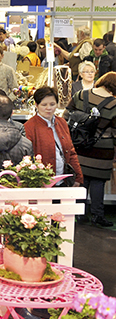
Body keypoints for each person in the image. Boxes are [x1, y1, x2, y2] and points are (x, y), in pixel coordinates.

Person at [64, 72, 116, 227]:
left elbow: (65, 117)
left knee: (81, 179)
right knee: (98, 181)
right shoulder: (114, 104)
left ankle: (79, 213)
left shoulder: (80, 95)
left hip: (78, 144)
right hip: (102, 148)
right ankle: (97, 215)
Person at [25, 86, 83, 187]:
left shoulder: (61, 122)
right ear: (36, 105)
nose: (48, 108)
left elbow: (71, 152)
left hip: (63, 180)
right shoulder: (29, 127)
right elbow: (27, 158)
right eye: (44, 104)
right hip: (41, 183)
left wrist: (78, 177)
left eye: (52, 104)